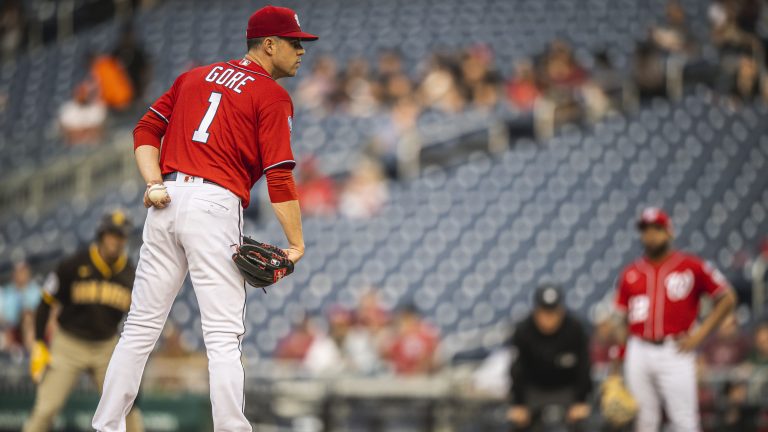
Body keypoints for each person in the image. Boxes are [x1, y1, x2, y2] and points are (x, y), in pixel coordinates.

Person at [92, 6, 315, 431]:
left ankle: (105, 427)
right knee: (223, 337)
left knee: (139, 329)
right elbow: (280, 175)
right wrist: (297, 244)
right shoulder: (271, 94)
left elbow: (144, 129)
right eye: (294, 42)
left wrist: (154, 181)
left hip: (167, 199)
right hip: (214, 203)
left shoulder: (193, 76)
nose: (301, 51)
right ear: (269, 45)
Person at [613, 207, 736, 432]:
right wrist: (621, 353)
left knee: (684, 420)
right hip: (638, 348)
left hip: (676, 348)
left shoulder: (691, 266)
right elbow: (620, 319)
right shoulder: (630, 272)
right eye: (646, 230)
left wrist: (700, 335)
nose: (650, 235)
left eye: (657, 229)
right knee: (643, 420)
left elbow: (727, 297)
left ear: (669, 232)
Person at [23, 211, 143, 432]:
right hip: (69, 343)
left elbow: (139, 320)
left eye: (121, 236)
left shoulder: (130, 274)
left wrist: (132, 363)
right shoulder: (74, 264)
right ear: (101, 235)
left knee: (127, 410)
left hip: (105, 347)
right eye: (111, 234)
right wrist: (40, 342)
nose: (116, 240)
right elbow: (46, 301)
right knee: (46, 409)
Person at [507, 284, 592, 431]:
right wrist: (518, 403)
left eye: (553, 312)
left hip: (567, 389)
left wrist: (581, 400)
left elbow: (584, 366)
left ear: (561, 311)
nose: (549, 318)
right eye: (544, 312)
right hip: (534, 390)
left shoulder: (575, 329)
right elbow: (517, 368)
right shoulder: (523, 331)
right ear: (536, 311)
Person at [0, 260, 41, 352]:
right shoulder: (5, 292)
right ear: (13, 274)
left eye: (23, 272)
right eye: (18, 272)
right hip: (10, 328)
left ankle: (31, 352)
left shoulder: (36, 291)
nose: (21, 275)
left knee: (28, 320)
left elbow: (40, 313)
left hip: (31, 326)